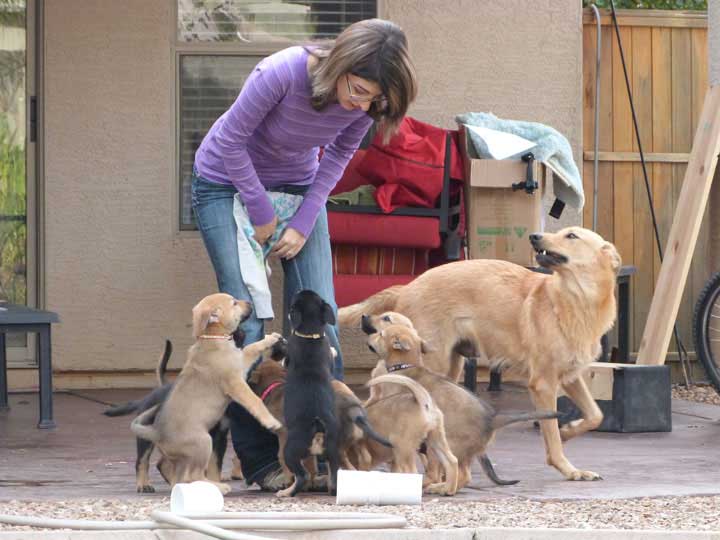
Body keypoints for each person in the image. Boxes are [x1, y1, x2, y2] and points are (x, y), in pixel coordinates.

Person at [191, 18, 417, 491]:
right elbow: (230, 142)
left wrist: (303, 221)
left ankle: (327, 456)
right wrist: (260, 211)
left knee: (323, 319)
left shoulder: (366, 106)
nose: (360, 104)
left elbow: (334, 158)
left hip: (298, 188)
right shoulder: (281, 72)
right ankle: (260, 461)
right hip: (224, 182)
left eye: (373, 99)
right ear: (338, 65)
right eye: (356, 90)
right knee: (248, 324)